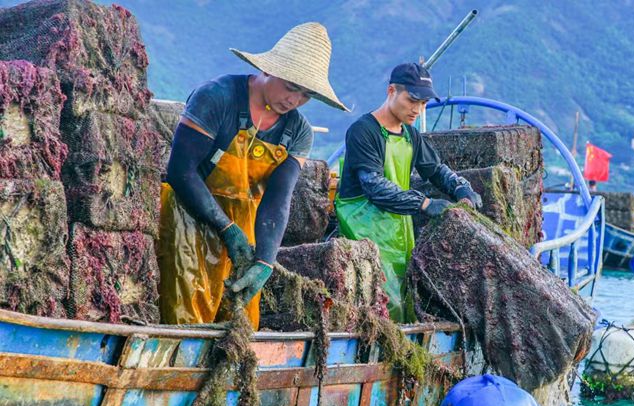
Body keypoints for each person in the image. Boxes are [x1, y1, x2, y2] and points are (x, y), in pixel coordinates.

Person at [158, 23, 348, 328]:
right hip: (188, 215)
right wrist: (224, 227)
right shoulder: (217, 97)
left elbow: (278, 199)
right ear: (270, 70)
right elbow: (180, 171)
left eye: (305, 95)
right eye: (290, 87)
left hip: (244, 225)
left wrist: (265, 260)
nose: (294, 100)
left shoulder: (297, 132)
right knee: (185, 316)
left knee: (239, 323)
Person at [335, 63, 482, 322]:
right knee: (383, 306)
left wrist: (461, 187)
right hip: (363, 231)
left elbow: (435, 169)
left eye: (423, 103)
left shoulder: (410, 135)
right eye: (413, 100)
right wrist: (424, 203)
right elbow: (375, 187)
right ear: (392, 90)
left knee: (407, 305)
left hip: (400, 234)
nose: (418, 109)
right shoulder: (363, 131)